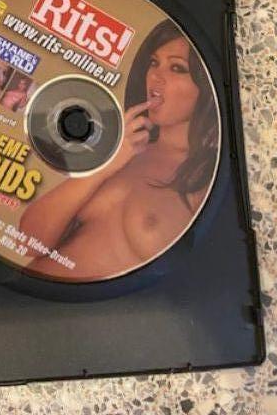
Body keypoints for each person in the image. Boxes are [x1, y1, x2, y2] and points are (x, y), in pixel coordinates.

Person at [19, 19, 218, 281]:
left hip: (100, 307)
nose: (155, 76)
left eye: (177, 68)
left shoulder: (206, 177)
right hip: (17, 296)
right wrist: (111, 161)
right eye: (154, 62)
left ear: (204, 89)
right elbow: (27, 241)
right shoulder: (124, 147)